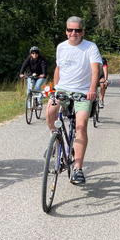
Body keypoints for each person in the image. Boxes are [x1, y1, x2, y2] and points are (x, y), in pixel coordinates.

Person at [46, 16, 102, 184]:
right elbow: (58, 68)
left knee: (81, 125)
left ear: (82, 32)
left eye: (77, 30)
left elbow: (95, 70)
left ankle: (77, 168)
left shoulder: (90, 47)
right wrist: (55, 89)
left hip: (83, 92)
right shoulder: (61, 47)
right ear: (66, 31)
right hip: (63, 89)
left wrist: (92, 90)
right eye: (70, 30)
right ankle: (55, 142)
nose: (73, 33)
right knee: (49, 111)